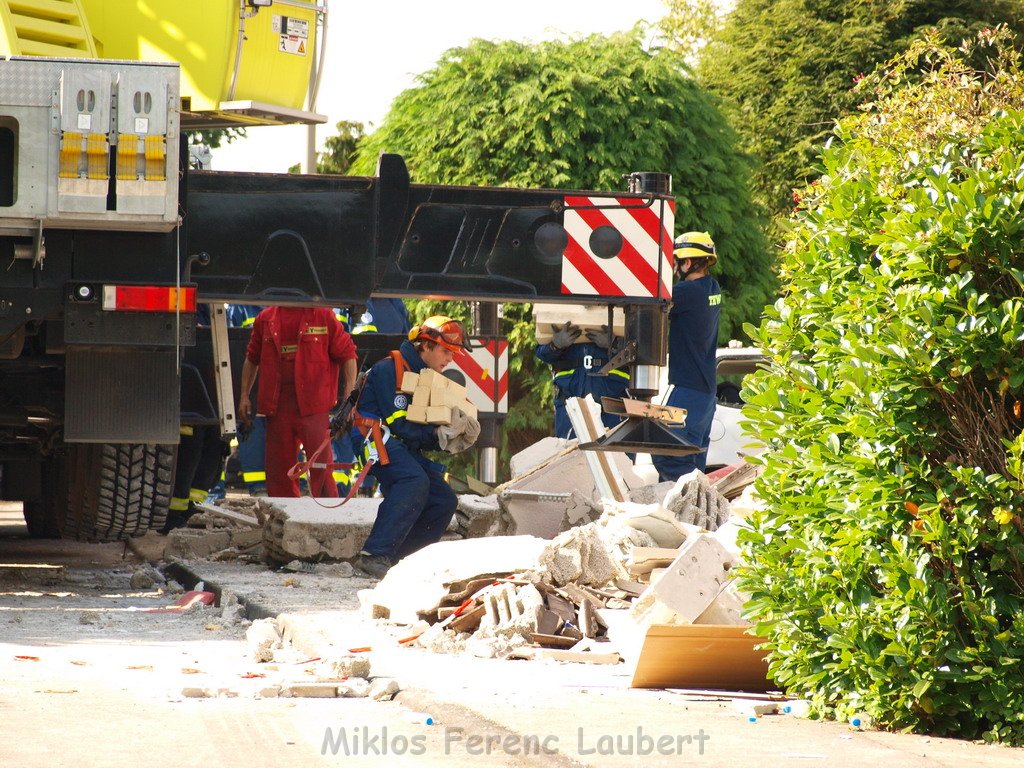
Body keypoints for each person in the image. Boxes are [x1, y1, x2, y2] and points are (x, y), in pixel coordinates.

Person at [353, 315, 473, 578]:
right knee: (413, 480)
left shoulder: (422, 375)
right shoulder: (390, 370)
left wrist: (451, 435)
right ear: (424, 346)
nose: (450, 359)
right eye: (445, 351)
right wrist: (438, 436)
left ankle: (403, 562)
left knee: (444, 499)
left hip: (400, 445)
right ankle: (375, 554)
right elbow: (401, 426)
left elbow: (415, 430)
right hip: (375, 440)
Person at [238, 306, 357, 497]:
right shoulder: (266, 319)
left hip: (313, 407)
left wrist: (349, 394)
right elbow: (252, 358)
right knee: (279, 473)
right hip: (278, 409)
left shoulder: (323, 316)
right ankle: (285, 520)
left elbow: (348, 354)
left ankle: (326, 518)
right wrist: (244, 395)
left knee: (321, 468)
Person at [651, 231, 722, 482]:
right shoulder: (713, 288)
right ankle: (695, 515)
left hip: (686, 391)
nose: (675, 267)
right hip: (705, 394)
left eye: (677, 261)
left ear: (688, 262)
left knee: (667, 453)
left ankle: (676, 515)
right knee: (693, 462)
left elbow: (654, 302)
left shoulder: (685, 292)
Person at [534, 321, 630, 439]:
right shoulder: (562, 309)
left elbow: (645, 351)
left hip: (615, 407)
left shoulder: (625, 309)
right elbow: (541, 353)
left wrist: (616, 343)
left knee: (618, 456)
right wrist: (555, 345)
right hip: (569, 406)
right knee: (570, 455)